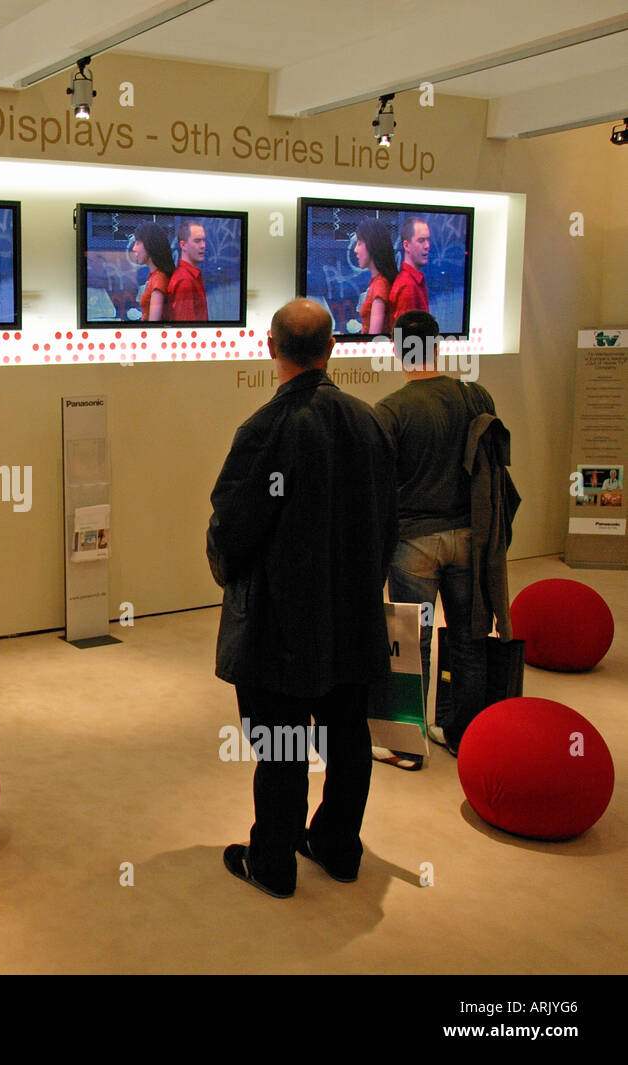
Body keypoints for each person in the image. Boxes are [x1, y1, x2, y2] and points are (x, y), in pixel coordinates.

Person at [209, 298, 397, 898]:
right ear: (332, 348)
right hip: (354, 614)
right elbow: (389, 523)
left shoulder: (266, 429)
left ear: (270, 346)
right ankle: (338, 848)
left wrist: (225, 570)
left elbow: (233, 529)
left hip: (279, 624)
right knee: (348, 738)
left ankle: (273, 862)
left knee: (282, 742)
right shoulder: (371, 423)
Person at [375, 310, 509, 757]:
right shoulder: (476, 396)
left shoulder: (391, 410)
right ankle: (464, 737)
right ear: (440, 344)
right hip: (470, 538)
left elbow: (377, 486)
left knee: (415, 644)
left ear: (398, 350)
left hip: (413, 542)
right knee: (470, 638)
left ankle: (409, 744)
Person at [355, 218, 397, 335]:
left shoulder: (380, 285)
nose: (355, 250)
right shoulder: (379, 282)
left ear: (371, 244)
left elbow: (374, 339)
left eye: (359, 243)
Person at [388, 217, 430, 323]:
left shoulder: (413, 281)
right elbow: (405, 337)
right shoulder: (408, 286)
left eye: (428, 240)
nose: (427, 246)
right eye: (421, 240)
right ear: (406, 245)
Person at [130, 222, 175, 322]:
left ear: (149, 245)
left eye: (137, 243)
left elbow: (154, 325)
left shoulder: (158, 280)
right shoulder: (155, 276)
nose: (134, 248)